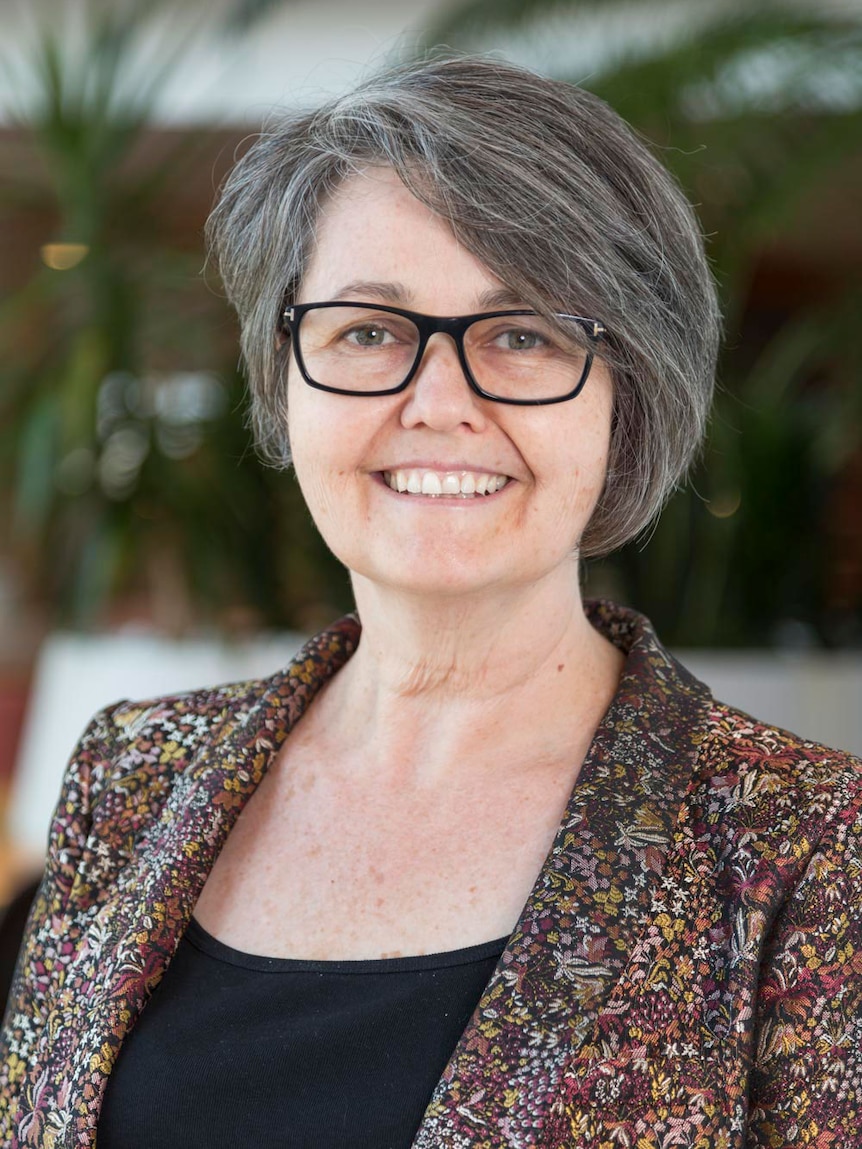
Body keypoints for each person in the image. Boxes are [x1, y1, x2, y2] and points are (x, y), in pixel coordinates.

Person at [1, 53, 861, 1149]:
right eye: (368, 330)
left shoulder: (803, 847)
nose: (437, 402)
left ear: (626, 397)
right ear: (285, 379)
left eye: (521, 335)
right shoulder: (130, 777)